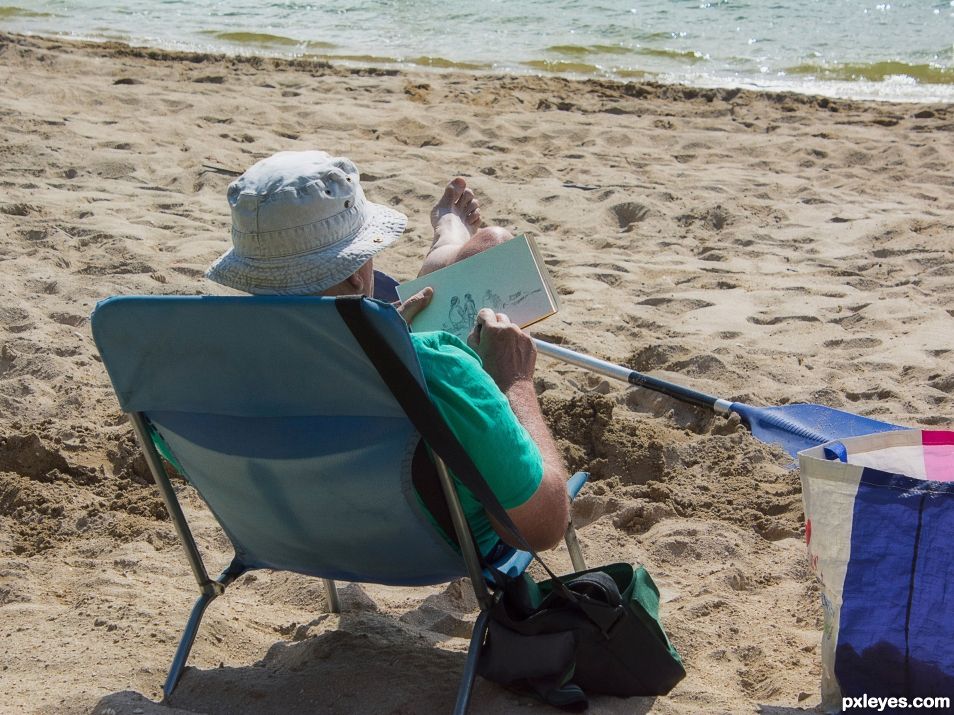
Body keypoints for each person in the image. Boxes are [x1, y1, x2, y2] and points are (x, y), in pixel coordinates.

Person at [205, 150, 569, 554]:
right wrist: (514, 381)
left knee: (480, 253)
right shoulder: (441, 366)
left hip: (288, 535)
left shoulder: (208, 363)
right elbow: (544, 528)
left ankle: (448, 240)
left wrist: (378, 339)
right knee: (494, 248)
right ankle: (448, 242)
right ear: (354, 275)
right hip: (432, 545)